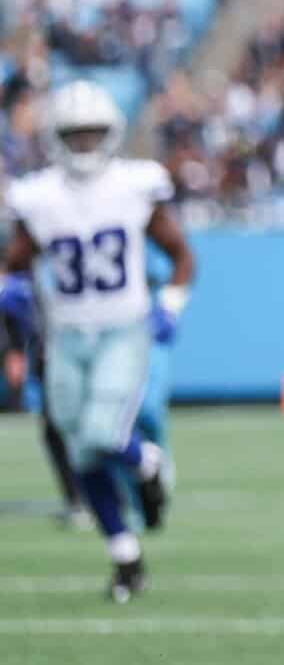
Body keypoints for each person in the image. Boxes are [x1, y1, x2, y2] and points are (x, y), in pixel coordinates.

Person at [4, 80, 195, 601]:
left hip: (122, 329)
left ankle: (148, 463)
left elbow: (181, 255)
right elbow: (14, 263)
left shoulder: (133, 186)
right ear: (56, 138)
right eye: (75, 135)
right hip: (66, 335)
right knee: (80, 451)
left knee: (102, 433)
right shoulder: (38, 196)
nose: (85, 145)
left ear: (111, 135)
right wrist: (12, 288)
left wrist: (170, 304)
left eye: (93, 134)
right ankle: (126, 557)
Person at [1, 270, 89, 527]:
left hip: (66, 354)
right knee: (57, 430)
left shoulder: (21, 283)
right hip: (49, 356)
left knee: (71, 428)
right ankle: (79, 498)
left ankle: (88, 497)